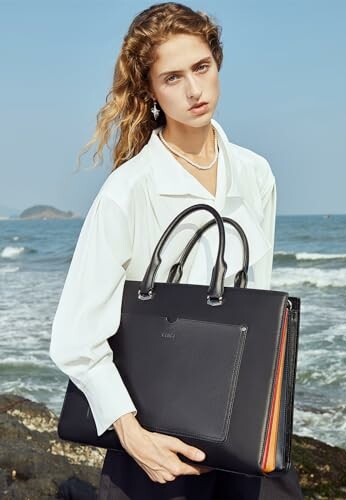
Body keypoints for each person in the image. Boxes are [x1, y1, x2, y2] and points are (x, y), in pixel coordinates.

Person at [49, 2, 303, 499]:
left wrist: (264, 423)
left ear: (217, 64)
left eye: (201, 68)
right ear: (150, 91)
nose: (193, 90)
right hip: (154, 434)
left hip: (239, 427)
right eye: (172, 77)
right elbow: (75, 336)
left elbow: (261, 311)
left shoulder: (255, 174)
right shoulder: (130, 189)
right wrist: (133, 437)